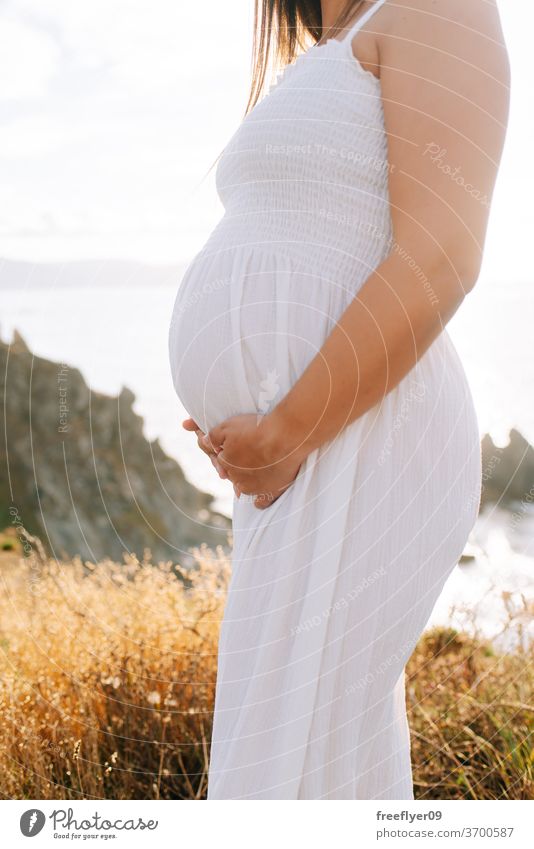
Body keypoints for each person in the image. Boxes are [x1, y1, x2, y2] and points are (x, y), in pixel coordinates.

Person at [168, 0, 510, 799]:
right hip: (304, 453)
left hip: (366, 436)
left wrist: (287, 426)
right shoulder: (329, 47)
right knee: (309, 759)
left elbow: (445, 252)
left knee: (288, 755)